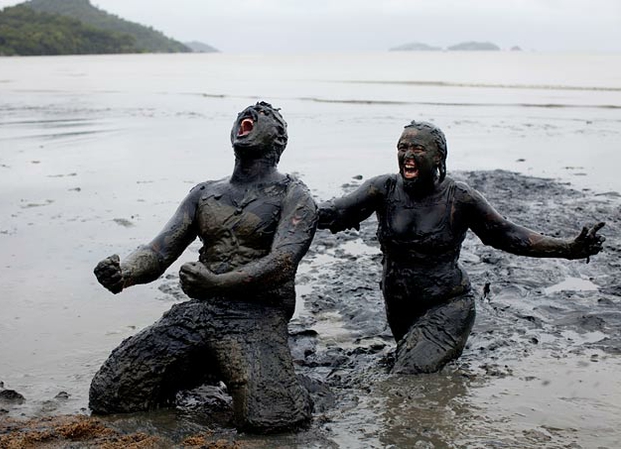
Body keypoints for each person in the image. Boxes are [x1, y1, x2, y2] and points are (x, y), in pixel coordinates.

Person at [90, 102, 317, 433]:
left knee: (271, 419)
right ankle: (204, 367)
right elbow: (158, 251)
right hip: (203, 311)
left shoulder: (293, 195)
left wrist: (218, 282)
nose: (250, 114)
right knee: (110, 393)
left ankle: (272, 376)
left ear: (279, 138)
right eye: (245, 113)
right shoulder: (205, 193)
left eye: (263, 114)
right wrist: (124, 273)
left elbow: (282, 263)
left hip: (257, 315)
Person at [318, 121, 605, 374]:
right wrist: (289, 206)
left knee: (407, 371)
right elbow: (334, 213)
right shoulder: (383, 189)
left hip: (448, 305)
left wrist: (568, 248)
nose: (407, 155)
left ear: (438, 156)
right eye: (402, 147)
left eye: (418, 148)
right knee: (413, 367)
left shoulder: (460, 197)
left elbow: (506, 234)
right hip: (400, 307)